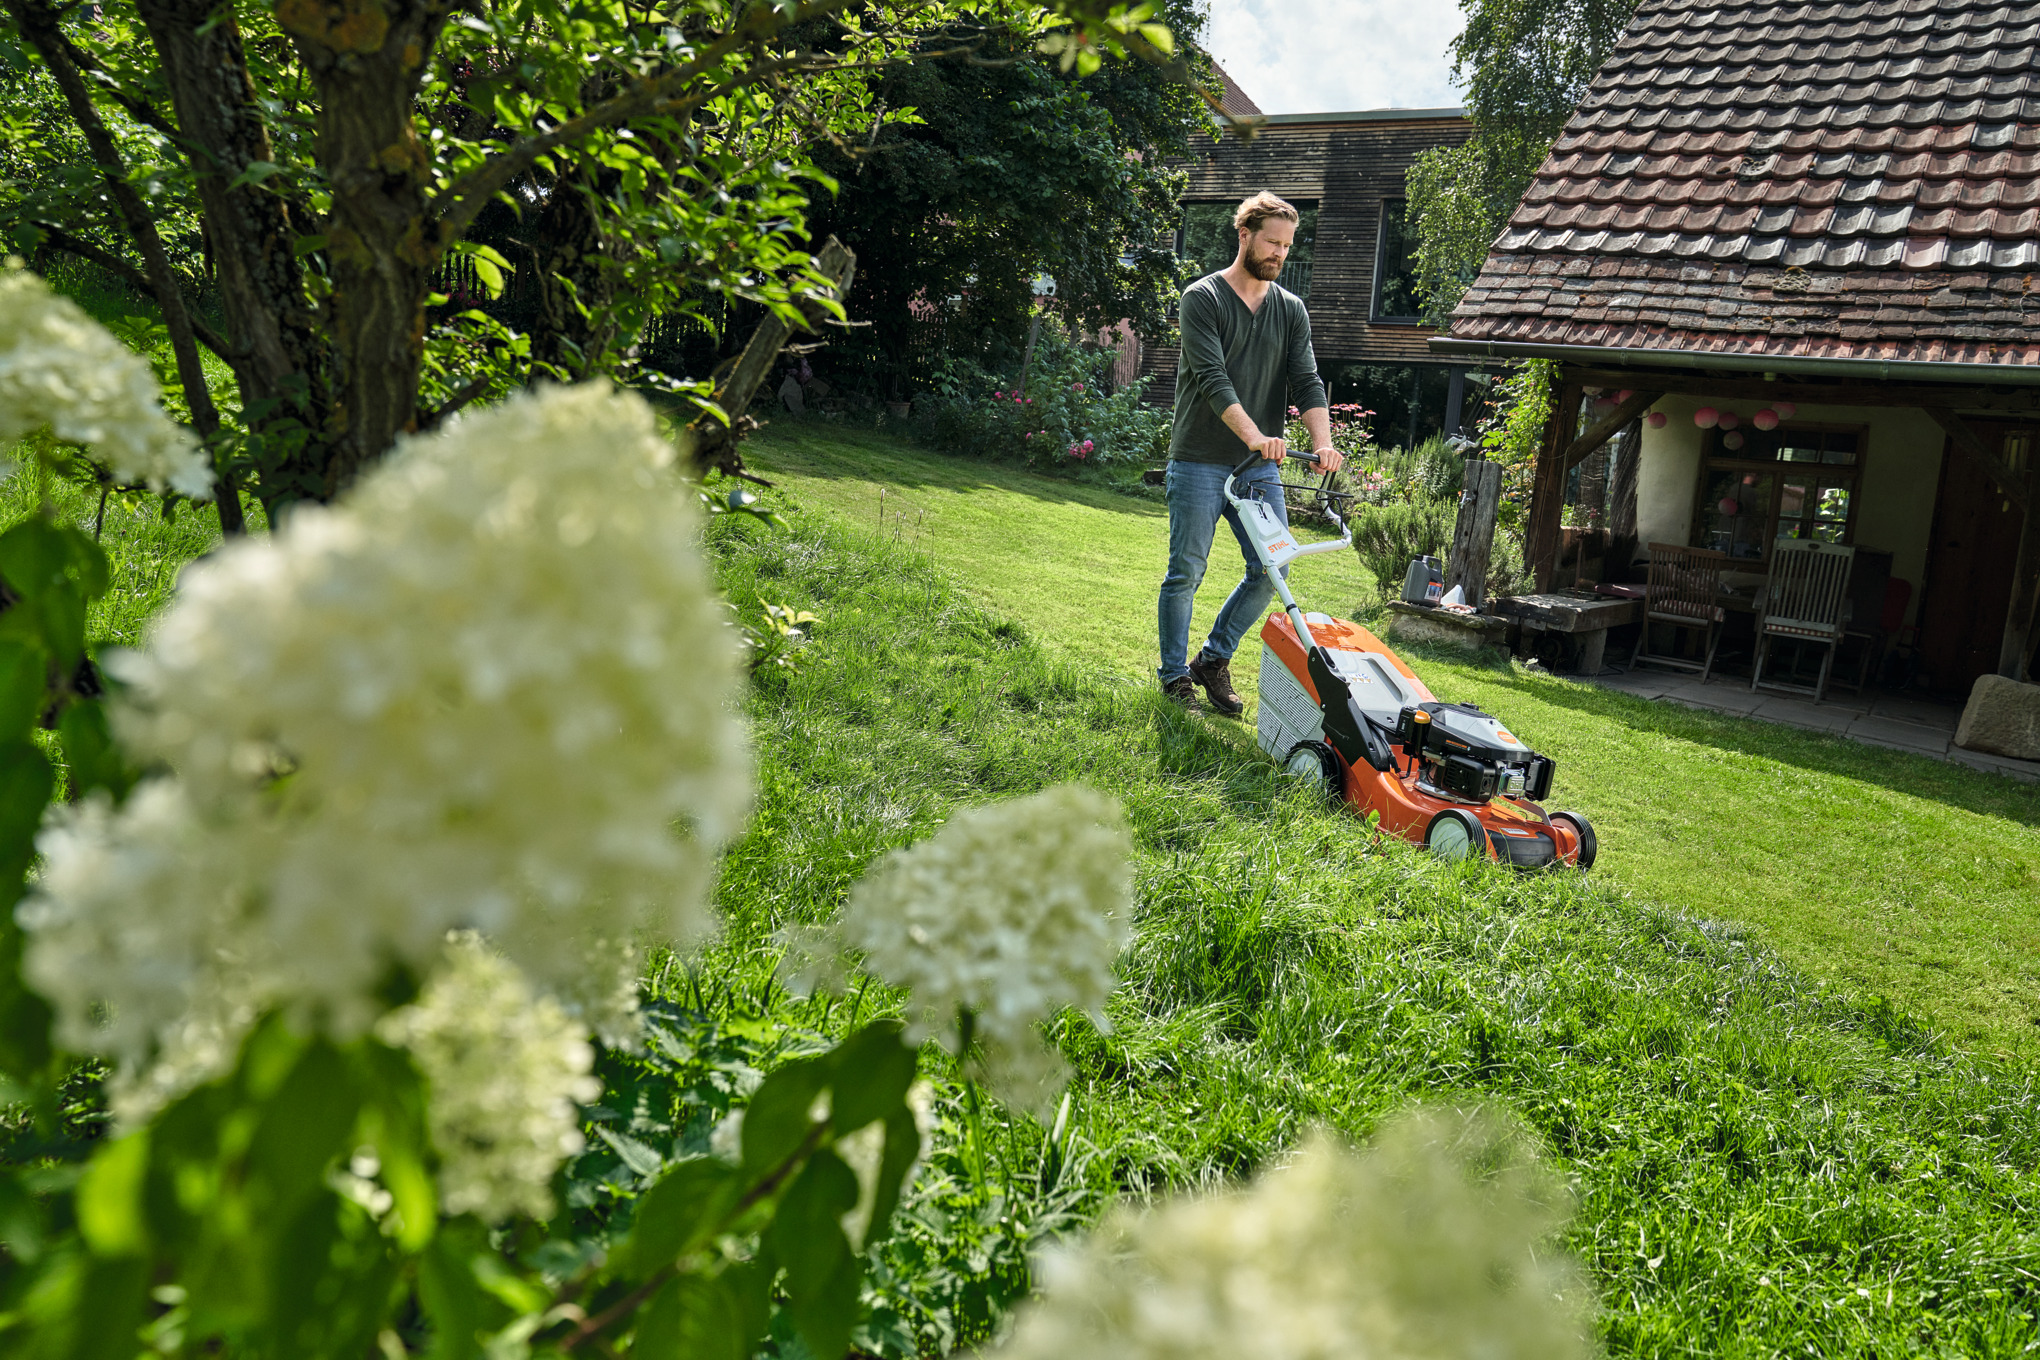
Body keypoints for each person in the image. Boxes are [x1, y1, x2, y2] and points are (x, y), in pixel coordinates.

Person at [1158, 191, 1342, 716]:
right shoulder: (1203, 298)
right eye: (1272, 242)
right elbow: (1213, 379)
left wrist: (1323, 442)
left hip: (1258, 469)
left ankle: (1212, 659)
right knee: (1186, 571)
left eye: (1287, 245)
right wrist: (1254, 435)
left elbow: (1307, 381)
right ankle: (1173, 677)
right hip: (1199, 456)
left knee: (1271, 568)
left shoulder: (1291, 310)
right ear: (1244, 235)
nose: (1280, 254)